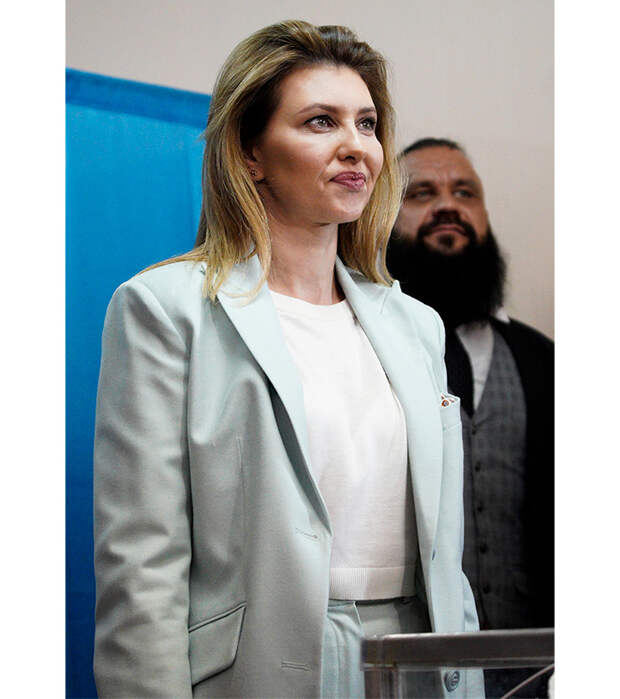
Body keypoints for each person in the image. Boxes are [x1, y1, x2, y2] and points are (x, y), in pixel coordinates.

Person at [93, 25, 482, 699]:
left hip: (421, 656)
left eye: (367, 123)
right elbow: (142, 567)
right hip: (263, 665)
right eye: (320, 121)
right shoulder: (165, 309)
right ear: (251, 154)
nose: (355, 145)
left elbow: (448, 559)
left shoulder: (417, 326)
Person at [387, 138, 554, 697]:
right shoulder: (362, 351)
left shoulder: (545, 361)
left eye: (465, 193)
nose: (447, 205)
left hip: (542, 668)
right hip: (411, 669)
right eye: (422, 193)